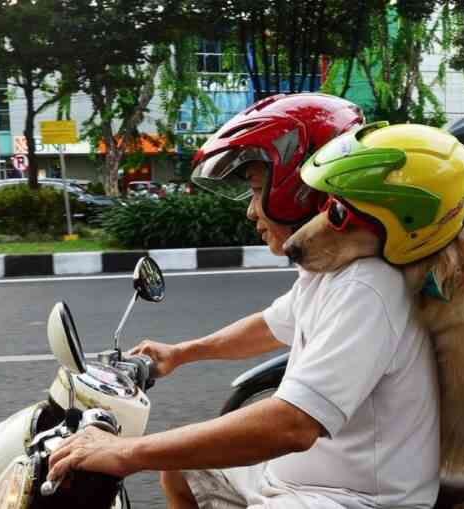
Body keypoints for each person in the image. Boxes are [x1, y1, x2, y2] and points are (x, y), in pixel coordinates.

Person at [46, 93, 443, 509]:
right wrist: (181, 353)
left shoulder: (365, 286)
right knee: (179, 470)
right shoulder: (327, 271)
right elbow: (270, 325)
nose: (251, 211)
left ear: (298, 189)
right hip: (298, 478)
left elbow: (292, 425)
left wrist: (126, 453)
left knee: (165, 455)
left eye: (256, 190)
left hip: (354, 498)